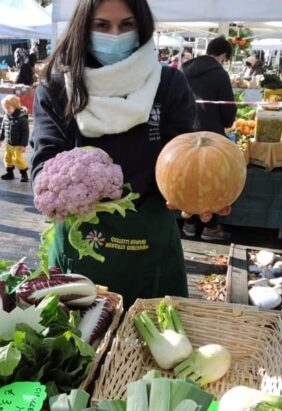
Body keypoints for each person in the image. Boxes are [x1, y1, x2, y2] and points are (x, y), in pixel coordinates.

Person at [30, 0, 198, 307]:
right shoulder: (57, 86)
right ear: (83, 27)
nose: (116, 34)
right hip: (80, 246)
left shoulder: (169, 84)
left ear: (142, 27)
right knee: (77, 345)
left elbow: (186, 160)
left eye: (127, 25)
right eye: (102, 25)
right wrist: (49, 187)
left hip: (151, 246)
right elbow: (45, 155)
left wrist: (197, 194)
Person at [180, 35, 237, 242]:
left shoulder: (184, 69)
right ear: (223, 55)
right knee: (210, 179)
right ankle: (210, 226)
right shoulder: (219, 74)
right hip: (211, 134)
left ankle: (188, 223)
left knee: (187, 177)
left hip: (184, 134)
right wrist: (228, 122)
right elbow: (227, 109)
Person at [0, 95, 30, 182]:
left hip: (17, 145)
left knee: (18, 159)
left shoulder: (22, 119)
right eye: (5, 108)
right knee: (7, 158)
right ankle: (10, 173)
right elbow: (3, 128)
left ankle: (24, 174)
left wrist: (23, 145)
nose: (6, 110)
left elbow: (25, 133)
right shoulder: (6, 117)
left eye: (8, 108)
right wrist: (0, 139)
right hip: (8, 144)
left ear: (15, 106)